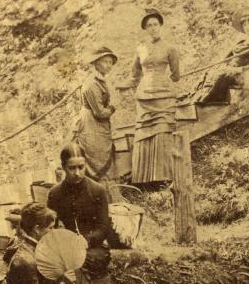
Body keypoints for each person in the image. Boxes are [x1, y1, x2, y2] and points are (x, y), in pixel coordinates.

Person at [46, 146, 114, 284]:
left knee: (77, 269)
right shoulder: (55, 194)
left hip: (93, 248)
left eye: (81, 167)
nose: (77, 173)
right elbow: (50, 227)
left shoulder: (98, 190)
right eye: (71, 168)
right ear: (63, 167)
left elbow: (104, 226)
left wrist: (87, 240)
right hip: (65, 250)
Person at [130, 10, 181, 186]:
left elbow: (176, 74)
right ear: (145, 28)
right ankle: (143, 179)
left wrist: (163, 81)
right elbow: (135, 73)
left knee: (162, 129)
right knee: (144, 131)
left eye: (155, 24)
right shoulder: (140, 49)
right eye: (149, 25)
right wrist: (135, 85)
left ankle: (164, 176)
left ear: (160, 26)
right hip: (144, 95)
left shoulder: (170, 48)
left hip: (164, 94)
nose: (153, 28)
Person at [197, 8, 249, 105]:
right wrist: (220, 66)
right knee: (210, 71)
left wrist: (239, 70)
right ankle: (194, 95)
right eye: (244, 25)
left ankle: (207, 101)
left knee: (223, 75)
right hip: (231, 71)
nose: (247, 27)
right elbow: (225, 58)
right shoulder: (240, 42)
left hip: (245, 75)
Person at [72, 46, 118, 180]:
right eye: (105, 62)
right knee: (96, 156)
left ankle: (108, 191)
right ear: (96, 63)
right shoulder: (92, 84)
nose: (108, 65)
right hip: (90, 124)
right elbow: (100, 113)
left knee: (103, 153)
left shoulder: (100, 81)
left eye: (110, 62)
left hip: (98, 124)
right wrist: (113, 107)